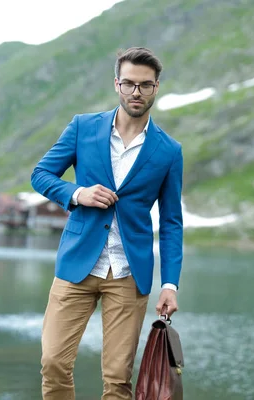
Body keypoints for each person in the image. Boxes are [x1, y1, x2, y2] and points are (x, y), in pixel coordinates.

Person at [30, 47, 184, 400]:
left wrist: (170, 284)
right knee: (53, 361)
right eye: (129, 83)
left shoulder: (169, 151)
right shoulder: (83, 127)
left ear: (156, 88)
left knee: (117, 381)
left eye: (145, 85)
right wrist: (77, 193)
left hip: (129, 274)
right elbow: (41, 175)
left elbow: (172, 223)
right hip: (77, 265)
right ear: (117, 84)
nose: (136, 92)